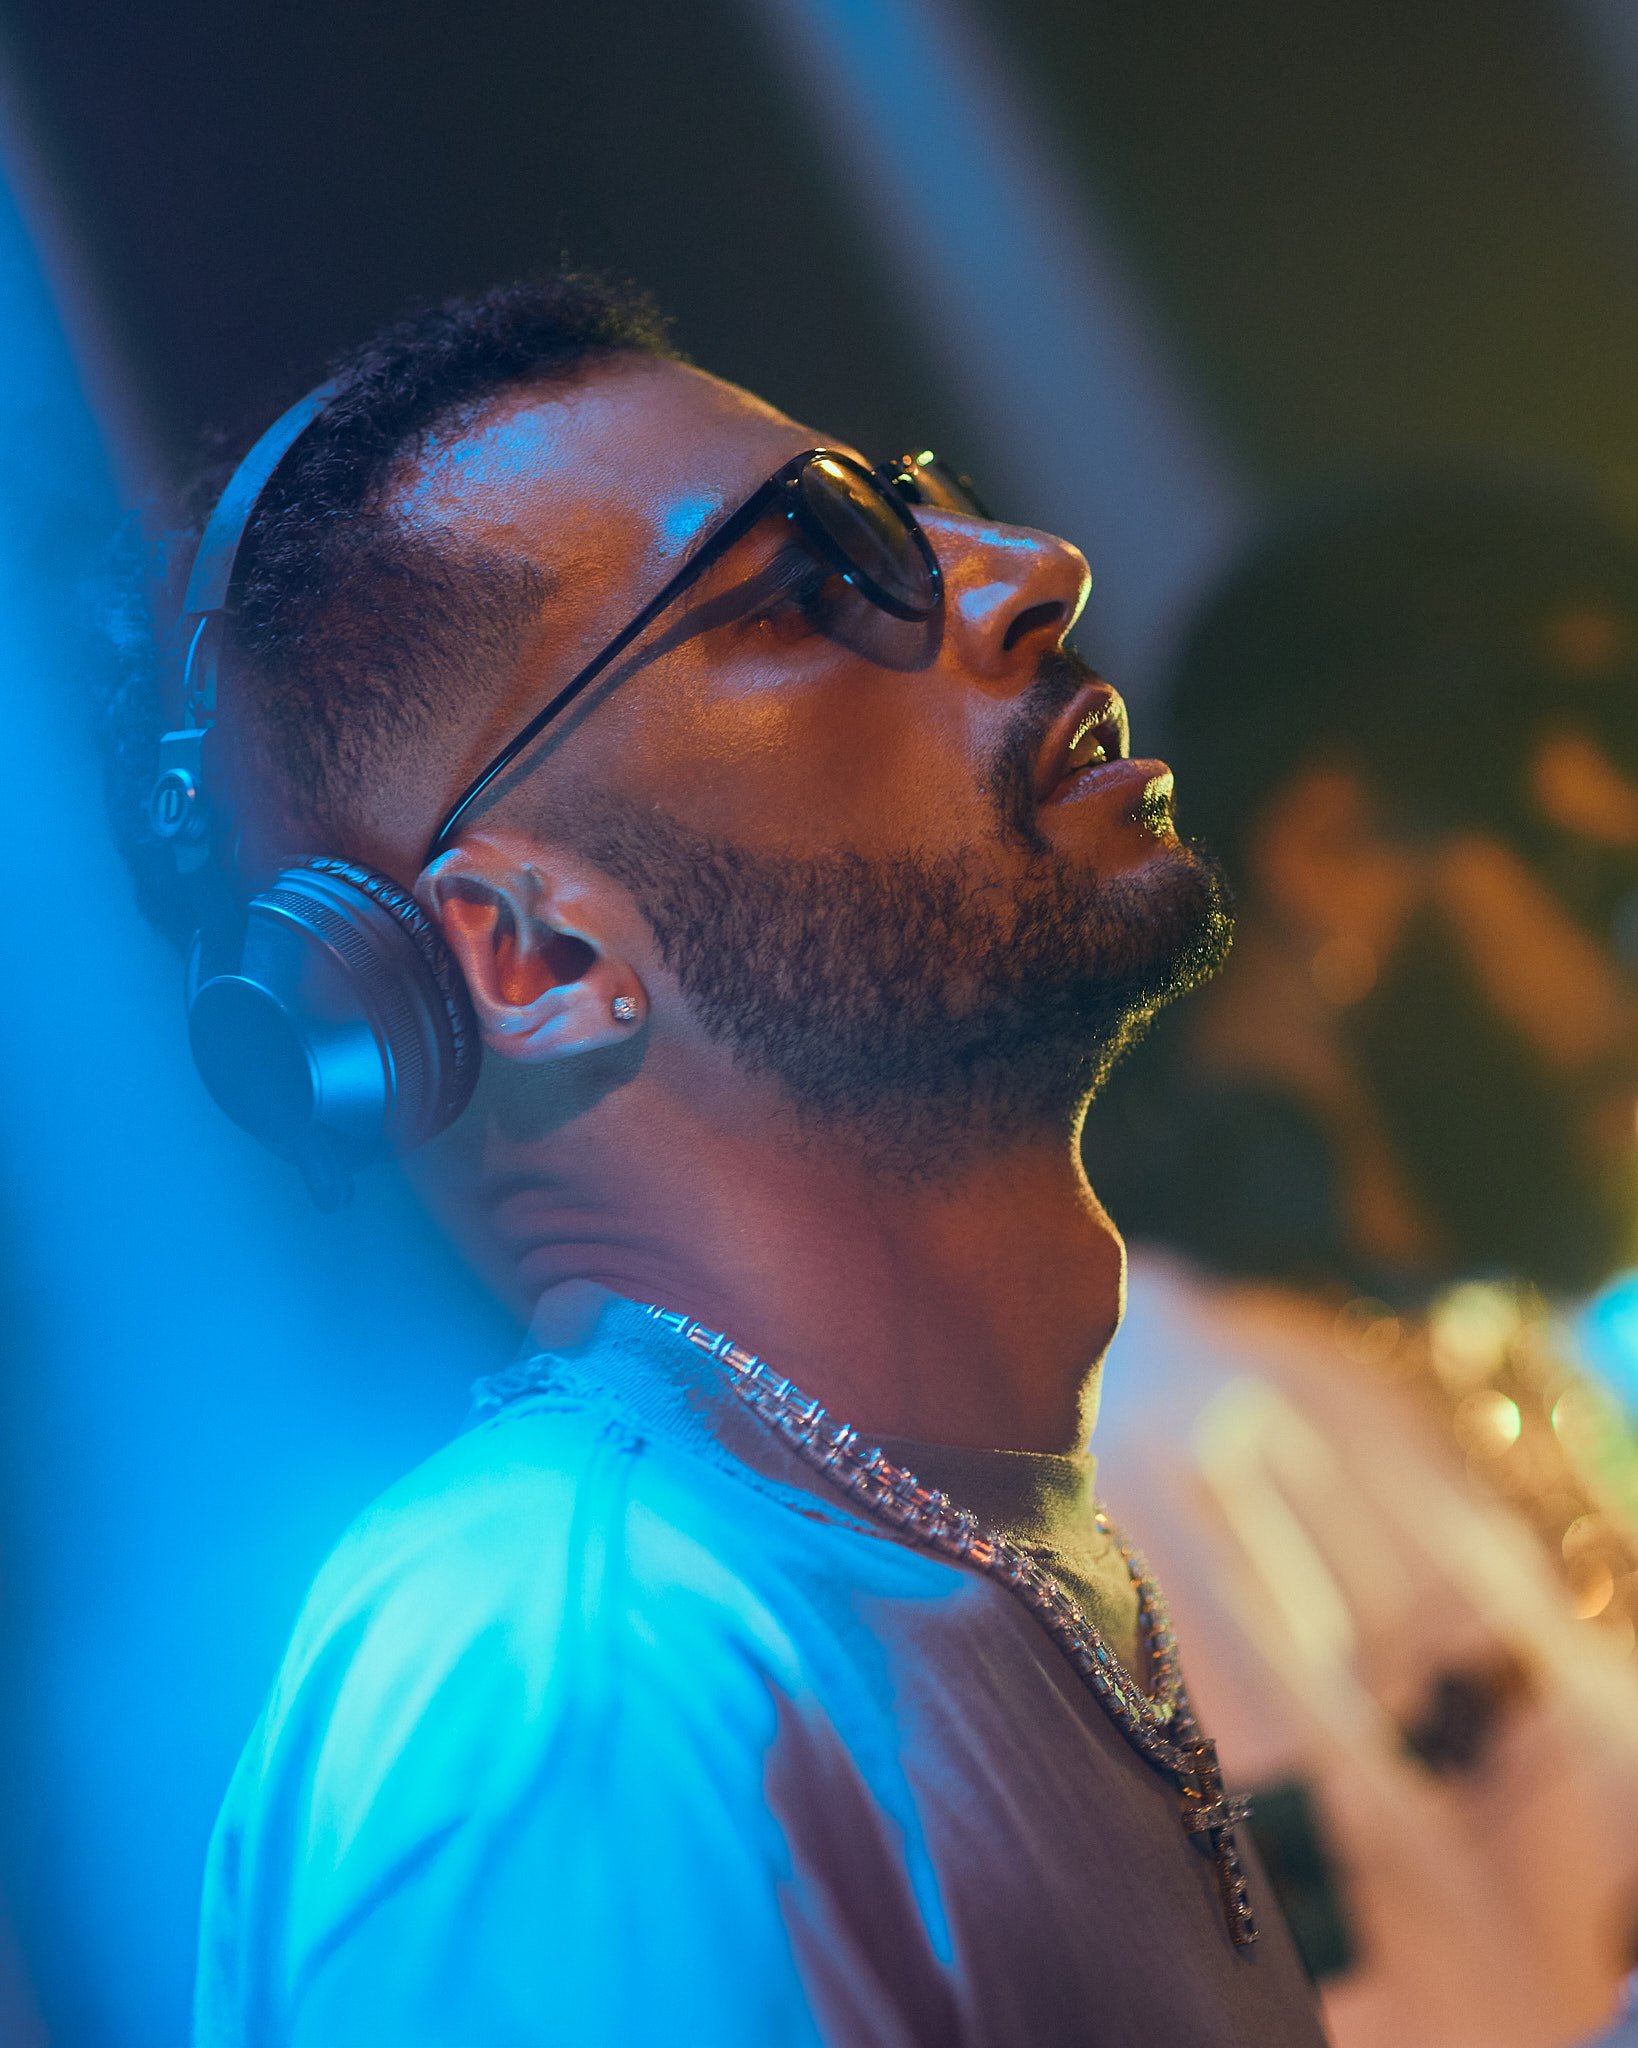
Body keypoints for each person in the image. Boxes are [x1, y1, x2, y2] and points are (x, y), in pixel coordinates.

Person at [102, 275, 1325, 2045]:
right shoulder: (577, 1687)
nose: (1026, 564)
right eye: (814, 572)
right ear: (537, 959)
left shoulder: (922, 1544)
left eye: (917, 500)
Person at [1085, 474, 1638, 2048]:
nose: (1624, 1010)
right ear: (1329, 849)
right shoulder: (1155, 1460)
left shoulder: (1489, 1335)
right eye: (1606, 898)